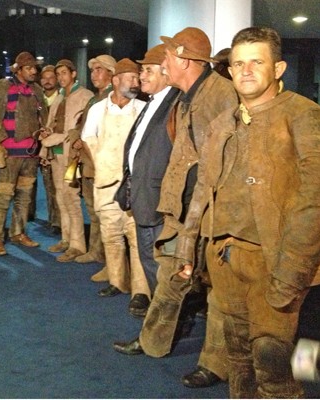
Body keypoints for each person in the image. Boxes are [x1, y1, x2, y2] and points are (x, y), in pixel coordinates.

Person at [174, 26, 320, 398]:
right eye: (238, 63)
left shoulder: (304, 115)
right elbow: (204, 190)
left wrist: (292, 270)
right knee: (239, 358)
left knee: (274, 362)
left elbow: (315, 200)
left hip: (278, 262)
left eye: (257, 61)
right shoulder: (223, 123)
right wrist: (187, 248)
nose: (246, 70)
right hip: (226, 260)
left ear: (279, 68)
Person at [112, 27, 237, 390]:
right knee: (169, 279)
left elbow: (218, 166)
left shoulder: (219, 96)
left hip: (211, 213)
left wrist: (198, 220)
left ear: (183, 60)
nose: (162, 61)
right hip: (182, 211)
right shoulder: (187, 96)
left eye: (167, 56)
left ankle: (215, 363)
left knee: (220, 291)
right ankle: (152, 342)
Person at [81, 58, 149, 304]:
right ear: (116, 80)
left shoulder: (143, 108)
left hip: (134, 184)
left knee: (135, 235)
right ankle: (117, 281)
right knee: (110, 234)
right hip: (106, 182)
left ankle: (141, 290)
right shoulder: (98, 109)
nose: (135, 82)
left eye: (137, 78)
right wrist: (102, 165)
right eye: (130, 78)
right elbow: (88, 138)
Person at [120, 44, 181, 316]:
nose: (141, 76)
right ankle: (158, 319)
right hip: (144, 199)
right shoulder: (154, 103)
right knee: (150, 263)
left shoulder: (175, 106)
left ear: (166, 73)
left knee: (162, 269)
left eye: (147, 70)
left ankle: (160, 326)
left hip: (160, 205)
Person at [0, 51, 48, 256]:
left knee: (24, 196)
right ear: (18, 69)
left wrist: (44, 138)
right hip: (9, 152)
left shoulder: (36, 89)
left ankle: (18, 233)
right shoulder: (3, 86)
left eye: (34, 68)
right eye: (29, 68)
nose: (33, 71)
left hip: (30, 153)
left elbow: (43, 116)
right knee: (3, 196)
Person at [40, 59, 93, 262]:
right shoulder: (60, 97)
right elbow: (52, 123)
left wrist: (63, 138)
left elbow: (84, 128)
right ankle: (66, 238)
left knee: (71, 198)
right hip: (56, 153)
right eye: (58, 74)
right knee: (60, 197)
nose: (61, 77)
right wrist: (47, 135)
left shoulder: (84, 96)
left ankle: (78, 245)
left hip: (72, 157)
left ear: (73, 74)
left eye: (64, 73)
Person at [68, 54, 115, 268]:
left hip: (101, 163)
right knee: (93, 209)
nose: (94, 74)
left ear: (111, 74)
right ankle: (98, 251)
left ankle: (106, 256)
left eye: (99, 70)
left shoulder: (113, 100)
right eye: (93, 70)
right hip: (88, 163)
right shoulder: (95, 99)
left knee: (103, 211)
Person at [38, 64, 60, 234]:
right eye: (44, 78)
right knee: (44, 185)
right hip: (35, 148)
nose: (47, 81)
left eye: (51, 77)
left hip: (57, 148)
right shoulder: (37, 99)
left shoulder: (63, 99)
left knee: (56, 186)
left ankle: (57, 221)